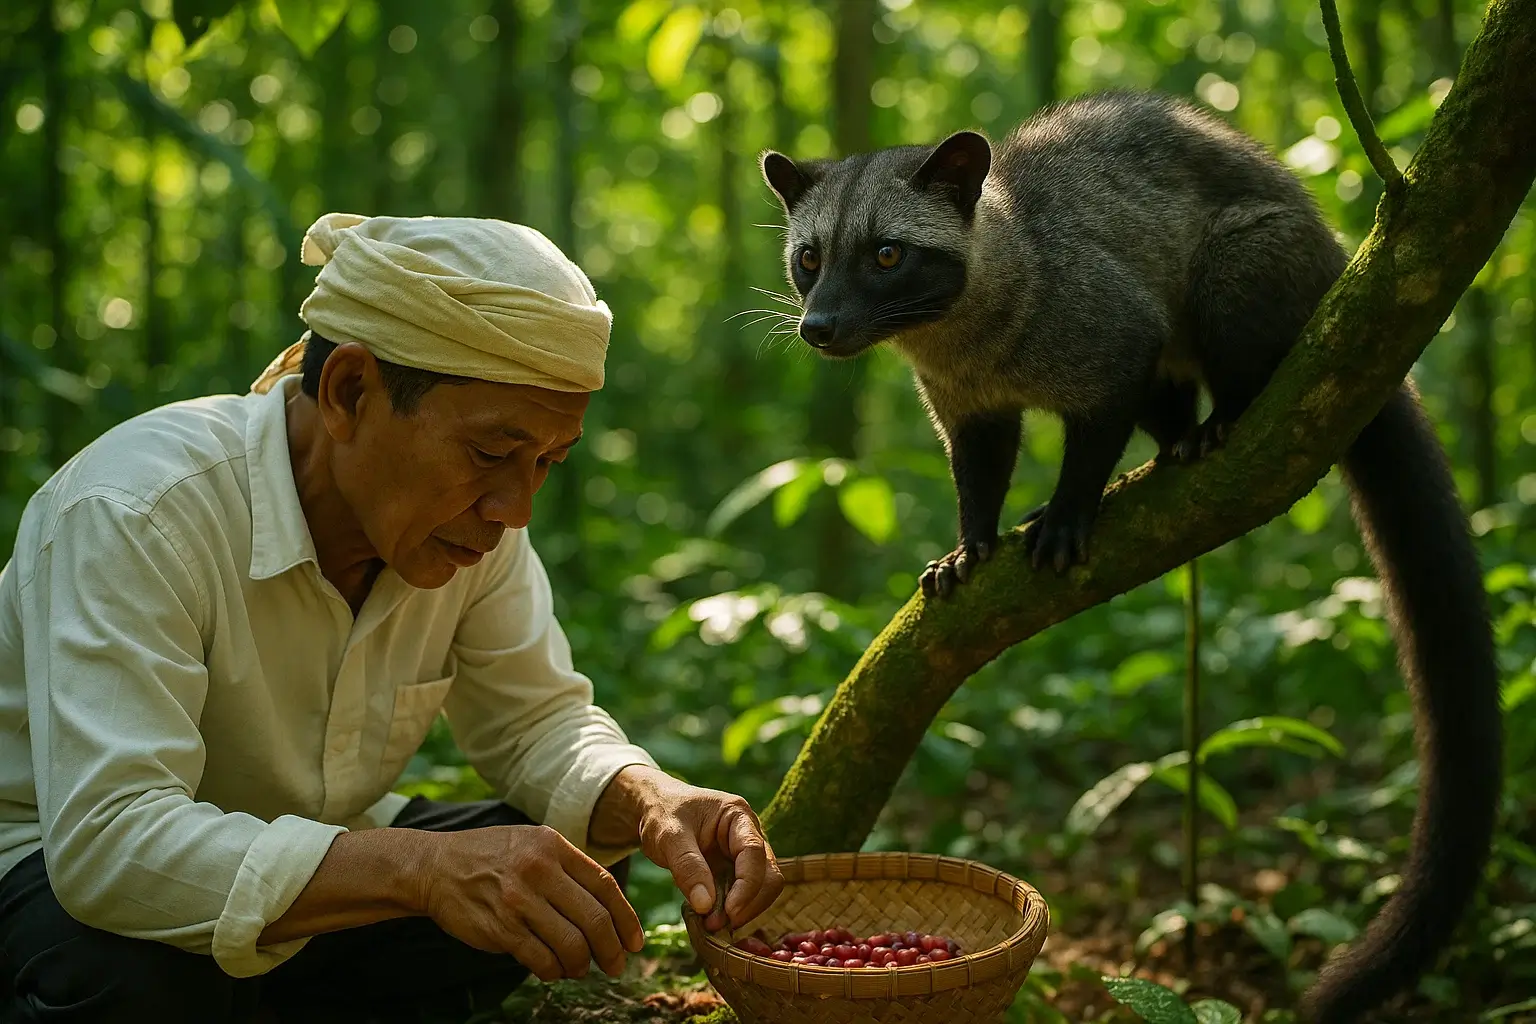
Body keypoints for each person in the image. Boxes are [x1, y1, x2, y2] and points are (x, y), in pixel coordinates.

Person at [0, 213, 784, 1022]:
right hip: (53, 883)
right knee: (123, 984)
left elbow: (536, 724)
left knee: (571, 872)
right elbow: (111, 847)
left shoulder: (469, 528)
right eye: (489, 454)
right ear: (348, 391)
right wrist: (422, 871)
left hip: (313, 869)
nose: (516, 507)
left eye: (548, 462)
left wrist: (652, 799)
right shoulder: (139, 511)